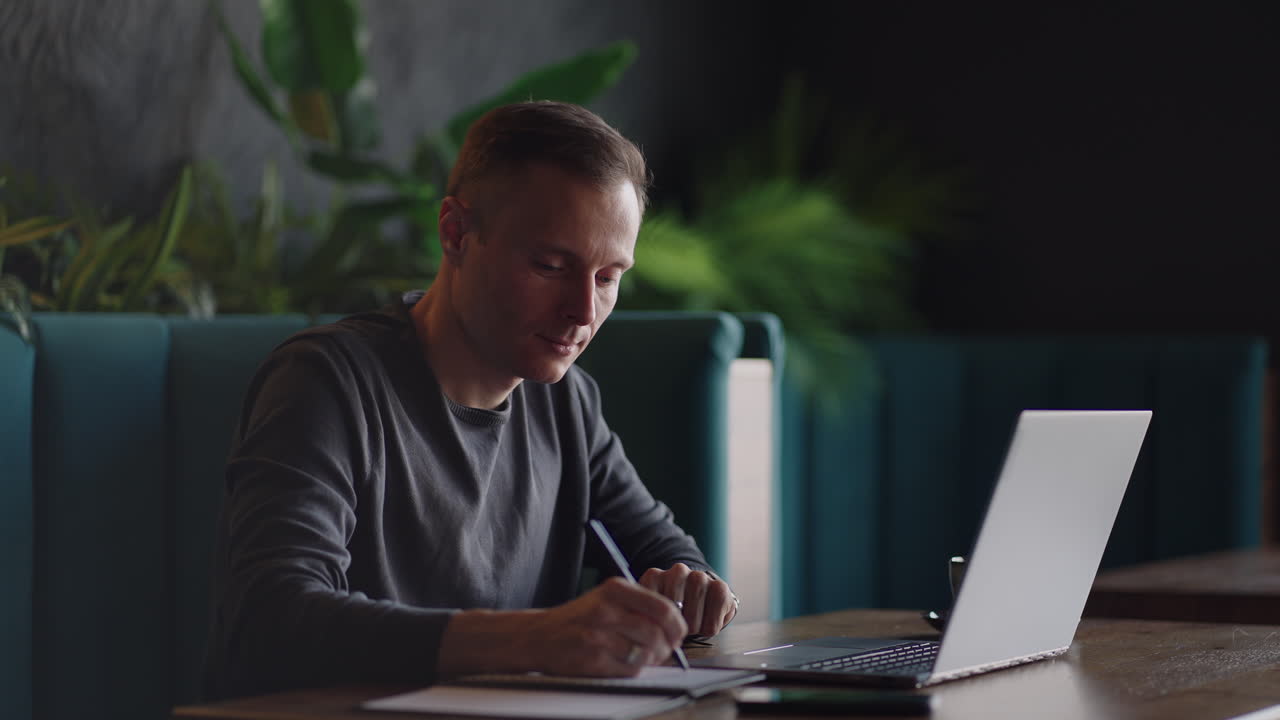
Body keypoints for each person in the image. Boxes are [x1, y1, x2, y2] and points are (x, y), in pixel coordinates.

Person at [204, 101, 738, 700]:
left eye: (608, 277)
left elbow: (667, 551)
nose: (584, 311)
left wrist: (697, 589)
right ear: (456, 234)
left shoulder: (569, 406)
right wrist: (535, 640)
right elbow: (271, 619)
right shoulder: (327, 381)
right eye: (550, 264)